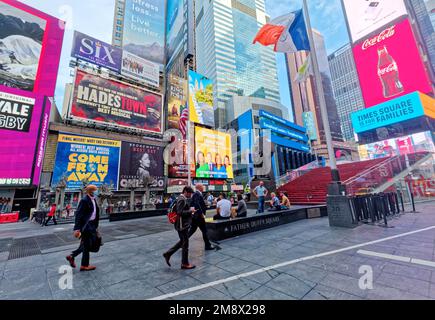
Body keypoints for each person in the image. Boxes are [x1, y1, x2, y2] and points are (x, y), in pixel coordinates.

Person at [66, 185, 100, 272]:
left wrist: (96, 226)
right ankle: (84, 265)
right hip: (86, 225)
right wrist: (77, 229)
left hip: (92, 225)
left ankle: (72, 256)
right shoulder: (84, 200)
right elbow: (79, 214)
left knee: (86, 244)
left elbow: (95, 213)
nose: (97, 192)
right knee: (88, 244)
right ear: (91, 191)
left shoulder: (94, 199)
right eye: (96, 190)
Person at [163, 186, 196, 270]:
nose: (190, 195)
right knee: (185, 245)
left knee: (182, 242)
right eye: (189, 193)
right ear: (185, 191)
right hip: (182, 225)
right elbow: (180, 212)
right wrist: (190, 211)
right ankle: (184, 263)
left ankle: (168, 254)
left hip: (181, 225)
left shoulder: (181, 198)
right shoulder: (181, 199)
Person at [189, 184, 215, 250]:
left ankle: (182, 243)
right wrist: (201, 214)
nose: (203, 187)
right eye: (202, 186)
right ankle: (207, 245)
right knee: (204, 230)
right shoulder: (197, 194)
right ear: (199, 187)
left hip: (196, 216)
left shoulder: (197, 194)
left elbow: (197, 204)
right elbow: (197, 204)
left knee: (192, 231)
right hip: (199, 217)